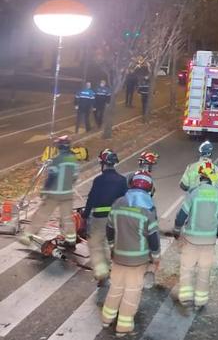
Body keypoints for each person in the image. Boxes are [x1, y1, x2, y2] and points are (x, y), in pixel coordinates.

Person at [101, 172, 160, 338]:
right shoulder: (148, 212)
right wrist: (156, 257)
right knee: (132, 293)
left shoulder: (118, 203)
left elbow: (109, 229)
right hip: (138, 261)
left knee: (115, 288)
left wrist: (112, 247)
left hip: (119, 257)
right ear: (149, 189)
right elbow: (153, 239)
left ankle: (107, 318)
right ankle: (123, 327)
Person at [172, 162, 218, 311]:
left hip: (191, 239)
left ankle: (185, 298)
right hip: (209, 241)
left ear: (202, 177)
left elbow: (181, 215)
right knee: (205, 270)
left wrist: (177, 230)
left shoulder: (194, 193)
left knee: (187, 268)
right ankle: (201, 301)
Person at [17, 135, 79, 248]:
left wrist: (45, 190)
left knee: (42, 214)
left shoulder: (56, 160)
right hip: (67, 194)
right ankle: (71, 240)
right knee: (67, 218)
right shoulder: (73, 160)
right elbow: (75, 177)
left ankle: (28, 235)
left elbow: (51, 177)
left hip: (54, 194)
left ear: (59, 147)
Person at [83, 149, 128, 280]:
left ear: (103, 163)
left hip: (100, 219)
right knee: (112, 244)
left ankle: (102, 272)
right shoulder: (122, 180)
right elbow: (126, 200)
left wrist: (85, 215)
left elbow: (91, 199)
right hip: (116, 219)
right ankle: (115, 269)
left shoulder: (98, 180)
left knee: (96, 243)